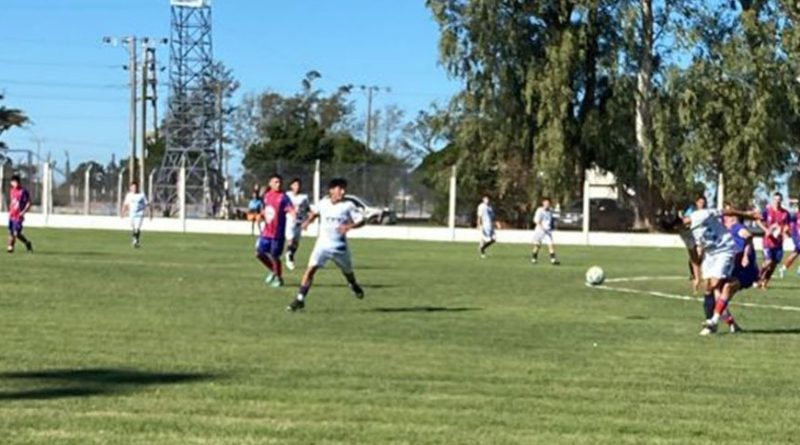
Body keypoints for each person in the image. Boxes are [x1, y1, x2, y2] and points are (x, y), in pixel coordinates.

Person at [287, 178, 365, 312]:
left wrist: (349, 226)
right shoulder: (323, 203)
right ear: (331, 190)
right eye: (340, 188)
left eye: (344, 189)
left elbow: (362, 220)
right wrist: (307, 221)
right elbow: (315, 213)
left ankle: (353, 284)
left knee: (348, 273)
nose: (343, 191)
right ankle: (300, 299)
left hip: (340, 247)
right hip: (322, 245)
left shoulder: (348, 205)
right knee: (310, 270)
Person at [684, 200, 759, 336]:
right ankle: (728, 323)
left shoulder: (737, 227)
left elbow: (748, 236)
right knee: (716, 291)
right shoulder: (721, 229)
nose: (726, 216)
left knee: (724, 288)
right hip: (734, 266)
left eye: (729, 214)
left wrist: (746, 255)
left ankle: (713, 321)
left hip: (746, 270)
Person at [256, 174, 294, 288]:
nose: (279, 184)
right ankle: (274, 270)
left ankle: (279, 278)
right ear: (270, 183)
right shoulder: (267, 196)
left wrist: (294, 214)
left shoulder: (283, 197)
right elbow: (266, 209)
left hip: (277, 234)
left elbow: (290, 208)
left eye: (280, 182)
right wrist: (261, 215)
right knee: (259, 253)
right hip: (266, 232)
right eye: (276, 182)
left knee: (274, 255)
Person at [756, 192, 791, 289]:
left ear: (781, 201)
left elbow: (787, 226)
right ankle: (757, 277)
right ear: (773, 200)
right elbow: (758, 220)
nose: (777, 202)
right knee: (768, 262)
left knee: (773, 265)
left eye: (779, 200)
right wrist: (766, 230)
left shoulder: (785, 213)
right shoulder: (767, 211)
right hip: (768, 242)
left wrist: (784, 231)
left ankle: (764, 283)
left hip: (779, 243)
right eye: (776, 200)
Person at [284, 177, 310, 271]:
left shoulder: (304, 197)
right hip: (289, 220)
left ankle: (290, 254)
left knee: (296, 243)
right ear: (291, 186)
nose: (297, 187)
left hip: (299, 222)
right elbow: (283, 206)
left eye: (298, 185)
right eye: (295, 185)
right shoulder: (287, 195)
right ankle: (288, 256)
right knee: (290, 240)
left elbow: (307, 209)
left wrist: (307, 221)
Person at [6, 174, 33, 253]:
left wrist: (23, 212)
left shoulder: (23, 191)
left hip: (19, 216)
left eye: (16, 182)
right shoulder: (12, 191)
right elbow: (12, 202)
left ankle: (11, 247)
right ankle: (23, 244)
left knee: (16, 232)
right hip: (12, 215)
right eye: (13, 182)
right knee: (11, 233)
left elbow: (29, 203)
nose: (15, 184)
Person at [121, 181, 150, 248]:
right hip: (132, 213)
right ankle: (135, 239)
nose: (134, 189)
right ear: (130, 188)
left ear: (137, 188)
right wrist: (123, 212)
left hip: (140, 213)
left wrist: (149, 213)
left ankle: (136, 240)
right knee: (133, 227)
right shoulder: (129, 195)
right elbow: (125, 204)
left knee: (137, 228)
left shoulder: (141, 195)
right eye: (132, 187)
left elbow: (147, 204)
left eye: (135, 187)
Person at [531, 197, 559, 265]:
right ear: (543, 203)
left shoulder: (550, 211)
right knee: (537, 246)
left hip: (547, 231)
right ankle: (534, 259)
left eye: (548, 203)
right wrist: (542, 227)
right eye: (546, 203)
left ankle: (553, 260)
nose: (547, 204)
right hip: (540, 231)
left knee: (550, 245)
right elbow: (536, 220)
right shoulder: (540, 210)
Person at [778, 212, 800, 278]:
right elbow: (791, 225)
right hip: (797, 236)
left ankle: (783, 269)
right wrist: (789, 233)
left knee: (795, 253)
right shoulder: (796, 215)